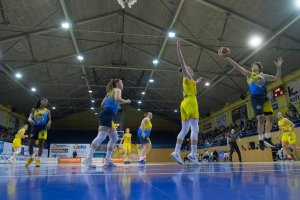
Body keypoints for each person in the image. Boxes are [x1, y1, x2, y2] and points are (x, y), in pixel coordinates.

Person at [218, 47, 283, 150]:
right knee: (260, 118)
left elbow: (277, 78)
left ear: (259, 68)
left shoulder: (264, 76)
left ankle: (267, 137)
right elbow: (238, 67)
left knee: (270, 118)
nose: (253, 67)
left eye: (254, 65)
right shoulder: (249, 75)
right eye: (252, 66)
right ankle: (261, 140)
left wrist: (279, 67)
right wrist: (228, 58)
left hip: (264, 98)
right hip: (255, 98)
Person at [83, 79, 131, 168]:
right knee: (101, 137)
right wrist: (126, 101)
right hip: (107, 115)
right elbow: (117, 99)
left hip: (108, 115)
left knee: (114, 138)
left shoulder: (109, 93)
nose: (122, 84)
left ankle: (108, 160)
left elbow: (102, 104)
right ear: (117, 83)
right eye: (121, 82)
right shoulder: (117, 90)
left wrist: (114, 105)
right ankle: (88, 158)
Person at [171, 39, 203, 165]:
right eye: (188, 68)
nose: (189, 69)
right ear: (186, 71)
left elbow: (193, 84)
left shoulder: (190, 81)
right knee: (195, 129)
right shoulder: (187, 76)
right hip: (190, 102)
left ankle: (176, 151)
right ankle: (194, 154)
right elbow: (182, 63)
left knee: (184, 130)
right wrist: (179, 49)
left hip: (184, 103)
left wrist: (198, 82)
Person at [26, 98, 51, 167]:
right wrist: (30, 120)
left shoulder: (47, 111)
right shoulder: (34, 110)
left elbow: (49, 120)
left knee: (41, 145)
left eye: (47, 102)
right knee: (30, 144)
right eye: (45, 101)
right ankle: (31, 158)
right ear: (41, 101)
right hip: (35, 127)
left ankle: (38, 160)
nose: (46, 102)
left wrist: (49, 123)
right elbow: (29, 118)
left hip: (43, 128)